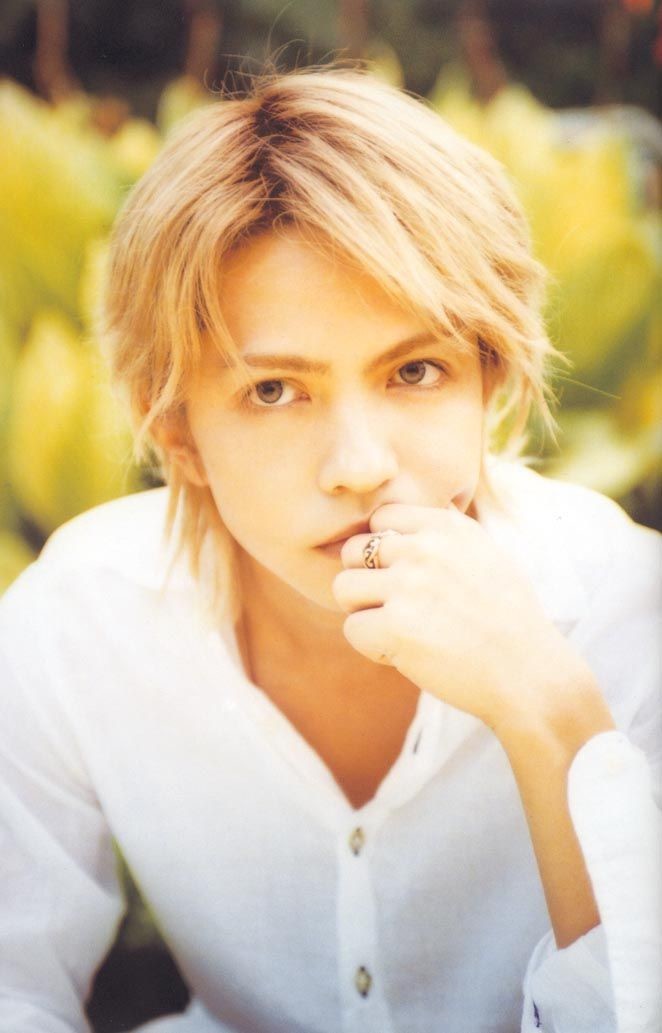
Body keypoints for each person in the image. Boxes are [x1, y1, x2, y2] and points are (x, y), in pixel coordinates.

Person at [0, 67, 660, 1033]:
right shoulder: (80, 618)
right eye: (274, 391)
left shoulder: (627, 611)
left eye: (416, 370)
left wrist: (551, 709)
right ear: (176, 430)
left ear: (491, 383)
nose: (359, 466)